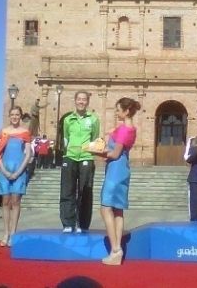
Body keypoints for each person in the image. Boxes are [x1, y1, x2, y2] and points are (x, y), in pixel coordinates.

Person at [96, 97, 139, 265]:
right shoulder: (131, 128)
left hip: (115, 170)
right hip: (123, 169)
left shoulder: (123, 130)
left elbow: (114, 154)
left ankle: (115, 249)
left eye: (118, 109)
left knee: (105, 208)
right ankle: (117, 249)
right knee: (118, 210)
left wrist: (96, 151)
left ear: (126, 111)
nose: (116, 112)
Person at [0, 106, 33, 247]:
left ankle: (14, 233)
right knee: (5, 201)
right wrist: (4, 170)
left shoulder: (25, 132)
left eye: (17, 114)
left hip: (19, 169)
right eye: (12, 114)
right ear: (9, 116)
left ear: (20, 116)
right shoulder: (3, 132)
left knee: (16, 201)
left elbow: (28, 154)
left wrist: (19, 171)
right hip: (4, 169)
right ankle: (6, 233)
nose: (14, 117)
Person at [59, 91, 100, 234]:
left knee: (85, 192)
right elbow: (66, 138)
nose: (81, 102)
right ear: (75, 101)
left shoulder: (93, 119)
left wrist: (88, 151)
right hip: (70, 156)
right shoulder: (68, 119)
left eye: (84, 99)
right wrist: (68, 152)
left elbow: (94, 138)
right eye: (79, 99)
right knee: (67, 190)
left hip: (86, 157)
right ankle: (68, 223)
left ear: (88, 102)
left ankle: (82, 224)